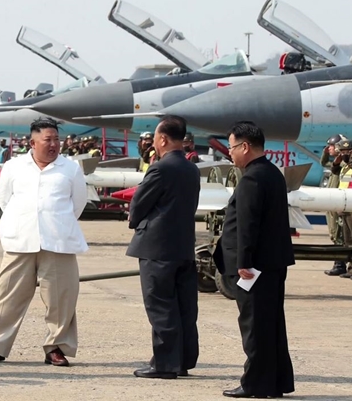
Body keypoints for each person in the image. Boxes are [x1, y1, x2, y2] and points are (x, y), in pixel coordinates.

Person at [0, 117, 88, 367]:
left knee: (61, 298)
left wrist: (52, 221)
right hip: (20, 240)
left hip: (58, 241)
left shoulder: (71, 168)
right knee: (7, 295)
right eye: (48, 139)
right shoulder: (14, 167)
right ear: (32, 142)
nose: (54, 144)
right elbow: (5, 201)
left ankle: (56, 347)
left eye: (57, 139)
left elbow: (78, 204)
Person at [214, 121, 295, 398]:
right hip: (273, 262)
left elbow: (248, 224)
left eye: (232, 147)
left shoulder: (251, 178)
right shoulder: (272, 173)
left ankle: (256, 384)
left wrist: (243, 262)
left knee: (254, 325)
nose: (230, 154)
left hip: (254, 266)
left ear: (245, 147)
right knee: (271, 324)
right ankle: (276, 381)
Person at [126, 116, 201, 379]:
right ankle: (182, 360)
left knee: (160, 306)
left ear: (163, 139)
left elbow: (139, 203)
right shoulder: (192, 169)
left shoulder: (160, 168)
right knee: (184, 307)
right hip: (182, 245)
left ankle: (164, 364)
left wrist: (134, 220)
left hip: (157, 248)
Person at [320, 134, 348, 276]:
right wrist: (325, 154)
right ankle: (339, 263)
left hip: (338, 203)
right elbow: (324, 163)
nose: (329, 148)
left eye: (331, 146)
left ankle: (340, 264)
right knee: (333, 232)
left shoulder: (343, 165)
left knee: (338, 233)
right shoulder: (336, 164)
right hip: (332, 203)